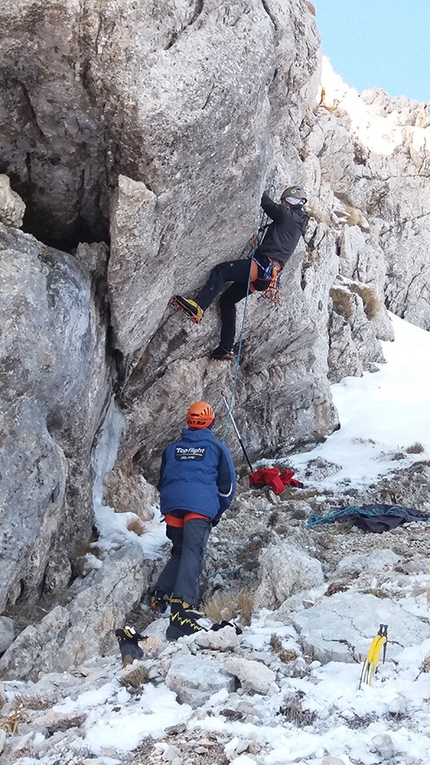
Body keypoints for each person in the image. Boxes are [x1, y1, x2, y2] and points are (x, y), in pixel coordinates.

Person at [171, 185, 309, 360]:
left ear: (288, 201)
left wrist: (263, 184)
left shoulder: (287, 215)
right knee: (227, 301)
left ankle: (198, 306)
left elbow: (265, 202)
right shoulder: (297, 222)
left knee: (221, 271)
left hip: (261, 266)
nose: (281, 204)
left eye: (283, 201)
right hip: (265, 277)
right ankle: (225, 347)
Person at [150, 401, 237, 641]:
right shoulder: (217, 448)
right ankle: (182, 607)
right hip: (199, 508)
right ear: (211, 422)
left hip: (172, 506)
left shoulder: (172, 449)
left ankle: (160, 595)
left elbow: (163, 479)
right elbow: (227, 487)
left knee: (179, 550)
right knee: (192, 552)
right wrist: (216, 512)